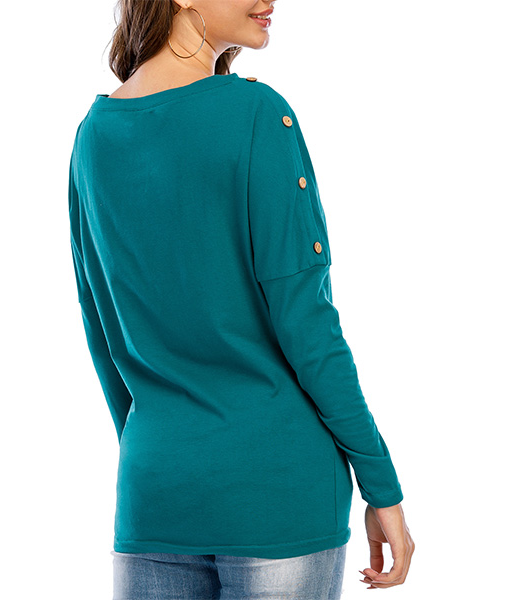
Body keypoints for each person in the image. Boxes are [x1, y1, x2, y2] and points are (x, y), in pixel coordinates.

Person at [67, 1, 415, 598]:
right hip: (279, 495)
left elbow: (102, 334)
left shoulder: (93, 136)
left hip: (156, 493)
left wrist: (166, 459)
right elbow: (309, 328)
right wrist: (380, 485)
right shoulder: (255, 114)